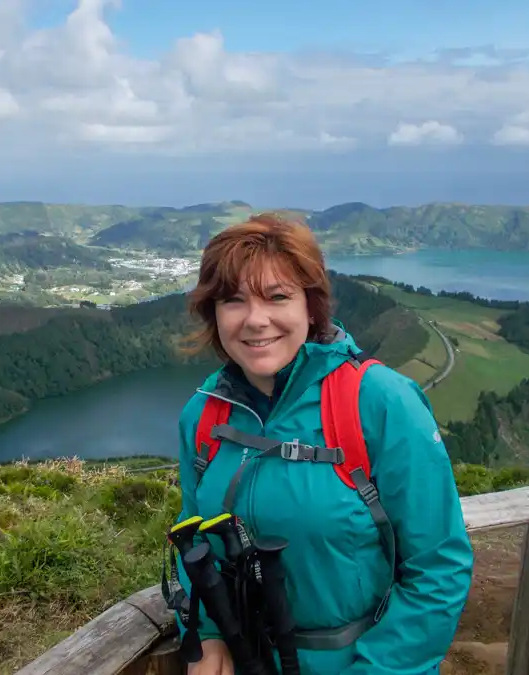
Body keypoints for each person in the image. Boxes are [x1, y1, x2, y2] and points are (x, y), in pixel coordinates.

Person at [172, 213, 474, 675]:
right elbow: (195, 541)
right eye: (233, 300)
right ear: (213, 313)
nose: (256, 320)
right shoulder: (204, 415)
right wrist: (208, 635)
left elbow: (439, 566)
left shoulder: (379, 402)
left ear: (310, 307)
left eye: (278, 297)